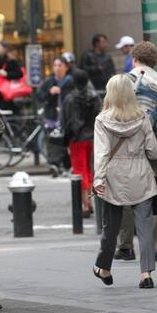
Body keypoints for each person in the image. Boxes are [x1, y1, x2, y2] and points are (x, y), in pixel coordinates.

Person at [92, 74, 157, 289]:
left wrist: (98, 179)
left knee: (110, 227)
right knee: (145, 227)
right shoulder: (143, 117)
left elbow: (102, 153)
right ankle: (145, 274)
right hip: (141, 174)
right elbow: (154, 152)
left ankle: (104, 268)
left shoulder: (102, 120)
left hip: (114, 177)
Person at [114, 41, 157, 262]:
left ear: (135, 58)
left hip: (128, 145)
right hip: (156, 143)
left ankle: (126, 246)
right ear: (154, 61)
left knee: (125, 192)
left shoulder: (124, 81)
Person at [62, 69, 102, 217]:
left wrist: (66, 141)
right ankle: (90, 201)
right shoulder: (95, 97)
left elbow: (67, 122)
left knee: (79, 170)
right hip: (93, 138)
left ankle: (85, 204)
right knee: (90, 169)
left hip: (77, 139)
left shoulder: (70, 98)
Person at [37, 57, 74, 177]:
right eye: (55, 65)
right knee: (53, 141)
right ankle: (55, 164)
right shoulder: (48, 81)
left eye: (60, 65)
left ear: (66, 67)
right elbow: (40, 97)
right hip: (52, 116)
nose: (57, 68)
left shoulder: (70, 81)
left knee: (63, 142)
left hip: (66, 117)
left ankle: (65, 165)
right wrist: (49, 92)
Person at [0, 41, 24, 110]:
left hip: (10, 90)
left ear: (4, 49)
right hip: (1, 89)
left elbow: (20, 74)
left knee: (10, 110)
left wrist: (7, 74)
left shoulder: (11, 60)